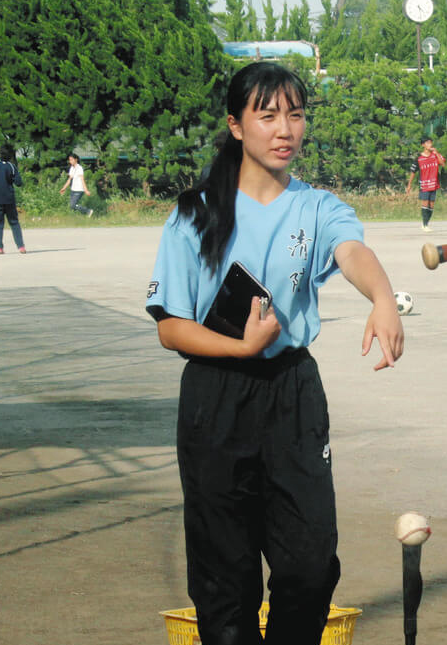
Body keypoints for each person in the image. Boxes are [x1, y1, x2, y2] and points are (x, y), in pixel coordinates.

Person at [145, 61, 404, 645]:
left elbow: (352, 251)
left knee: (311, 566)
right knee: (224, 579)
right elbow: (170, 328)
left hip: (292, 394)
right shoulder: (193, 214)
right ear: (236, 126)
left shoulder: (315, 206)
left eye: (296, 114)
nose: (285, 129)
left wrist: (383, 297)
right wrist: (237, 345)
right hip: (215, 398)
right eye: (268, 116)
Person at [0, 146, 26, 254]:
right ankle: (21, 246)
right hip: (9, 199)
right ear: (10, 155)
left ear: (0, 154)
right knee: (14, 222)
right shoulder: (11, 167)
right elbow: (19, 182)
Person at [405, 136, 447, 232]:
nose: (429, 145)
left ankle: (426, 224)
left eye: (430, 143)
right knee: (425, 203)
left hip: (434, 184)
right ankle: (424, 225)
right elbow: (412, 172)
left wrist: (436, 153)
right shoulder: (419, 158)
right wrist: (409, 185)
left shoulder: (434, 155)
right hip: (424, 185)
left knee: (431, 206)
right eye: (427, 143)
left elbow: (443, 164)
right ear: (423, 145)